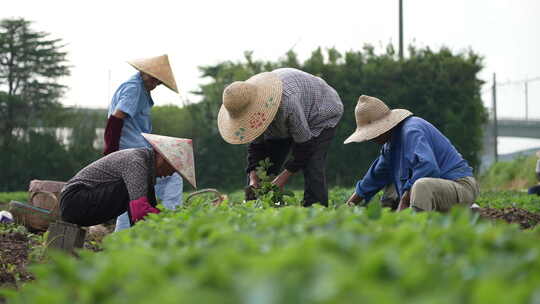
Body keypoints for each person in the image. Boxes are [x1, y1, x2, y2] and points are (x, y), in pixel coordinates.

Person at [217, 68, 343, 207]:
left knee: (312, 163)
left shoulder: (287, 103)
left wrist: (281, 179)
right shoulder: (248, 106)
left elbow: (304, 146)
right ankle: (257, 205)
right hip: (287, 118)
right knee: (263, 169)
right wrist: (253, 177)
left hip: (321, 110)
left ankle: (315, 209)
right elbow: (256, 147)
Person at [345, 95, 479, 212]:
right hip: (436, 190)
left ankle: (415, 227)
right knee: (391, 187)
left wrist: (404, 201)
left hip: (460, 187)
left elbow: (428, 168)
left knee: (420, 187)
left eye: (372, 133)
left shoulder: (411, 131)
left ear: (384, 127)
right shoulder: (389, 146)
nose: (370, 138)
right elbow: (374, 178)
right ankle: (396, 221)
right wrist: (348, 206)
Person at [103, 55, 184, 231]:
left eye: (158, 82)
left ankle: (132, 234)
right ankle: (170, 225)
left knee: (134, 192)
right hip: (130, 152)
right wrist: (110, 153)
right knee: (173, 176)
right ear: (143, 72)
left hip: (135, 150)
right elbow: (116, 119)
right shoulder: (134, 88)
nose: (154, 84)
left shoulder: (139, 88)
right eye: (153, 79)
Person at [60, 133, 196, 227]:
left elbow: (147, 208)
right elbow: (140, 211)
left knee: (144, 196)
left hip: (82, 201)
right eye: (173, 168)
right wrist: (171, 221)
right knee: (137, 196)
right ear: (162, 158)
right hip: (75, 202)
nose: (170, 174)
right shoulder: (136, 162)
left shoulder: (144, 166)